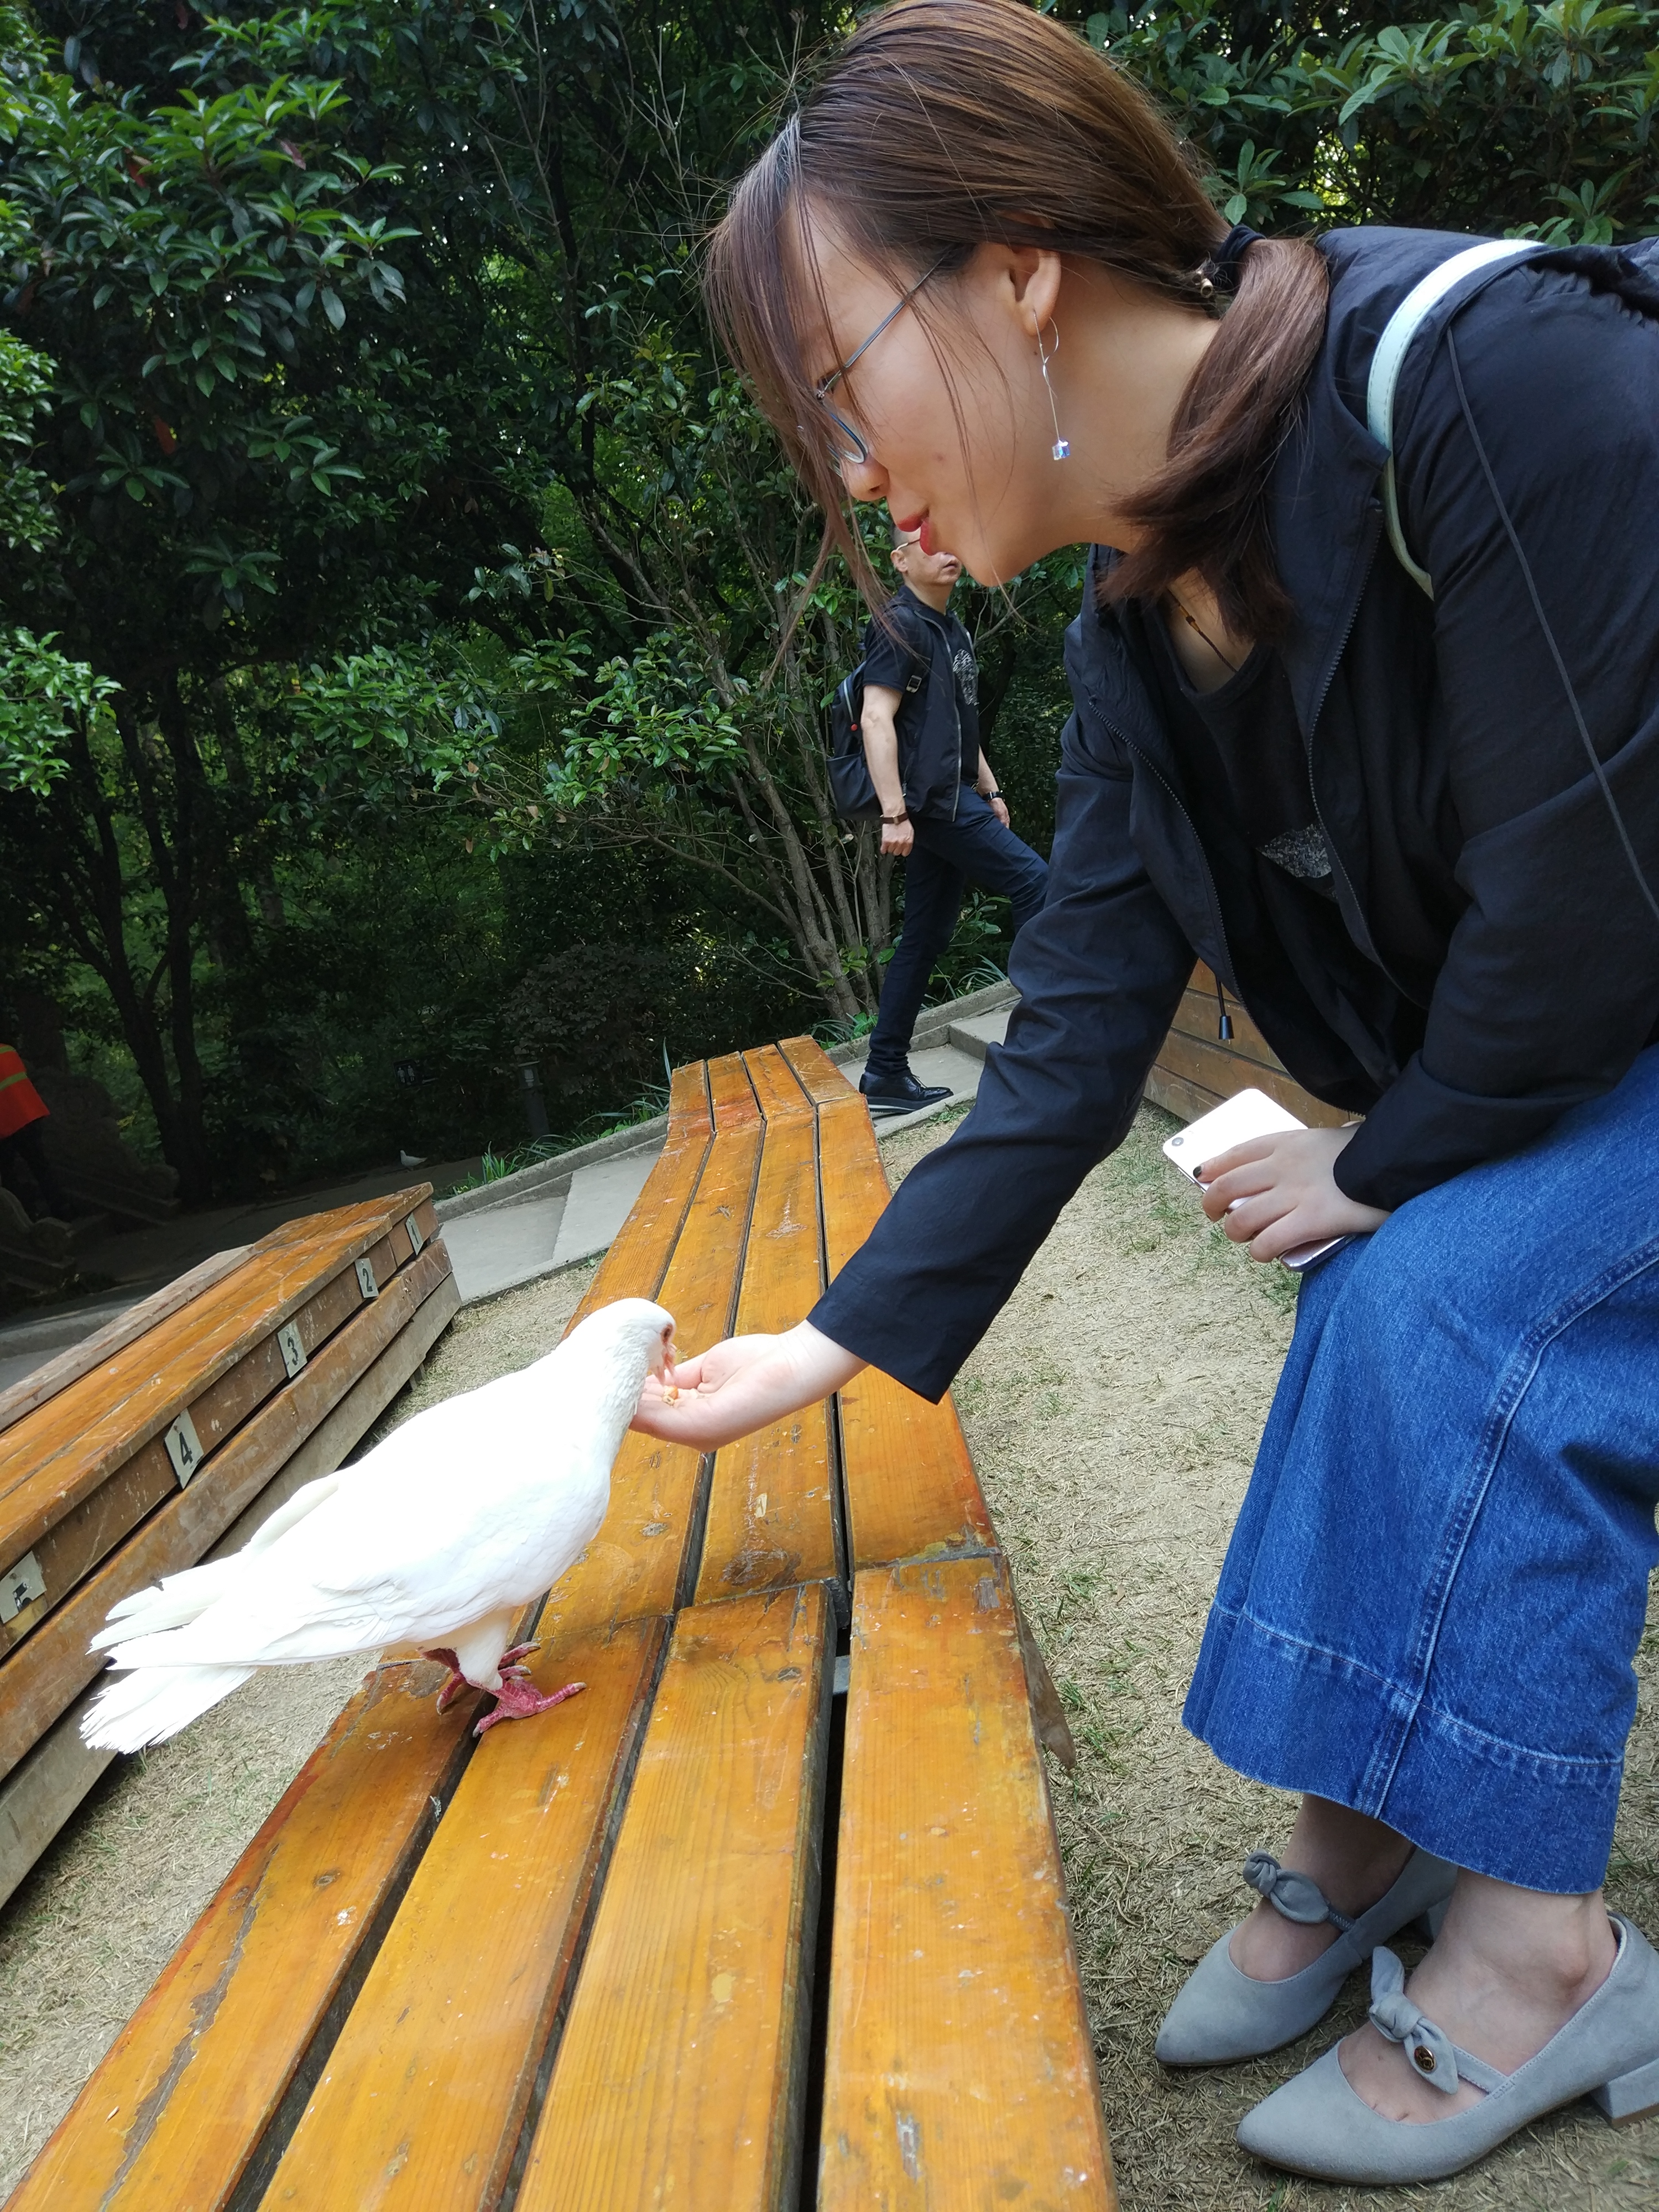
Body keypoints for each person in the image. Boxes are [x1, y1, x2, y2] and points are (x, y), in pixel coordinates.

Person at [630, 0, 1659, 2185]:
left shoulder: (1489, 374)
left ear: (1016, 269)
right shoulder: (1131, 633)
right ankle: (1365, 1834)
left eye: (841, 385)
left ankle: (1551, 1954)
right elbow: (1078, 1015)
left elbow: (1587, 902)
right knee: (1392, 1267)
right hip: (1591, 1065)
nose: (850, 471)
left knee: (1442, 1283)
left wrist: (1384, 1158)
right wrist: (827, 1341)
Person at [854, 525, 1048, 1116]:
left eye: (951, 541)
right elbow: (875, 718)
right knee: (1036, 882)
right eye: (929, 544)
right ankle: (1048, 1040)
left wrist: (992, 788)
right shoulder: (899, 625)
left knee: (926, 936)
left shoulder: (952, 628)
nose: (948, 552)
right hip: (930, 802)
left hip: (956, 795)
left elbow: (961, 722)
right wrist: (894, 812)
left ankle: (884, 1071)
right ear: (900, 560)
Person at [0, 1031, 72, 1222]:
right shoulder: (8, 1051)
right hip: (30, 1116)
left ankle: (26, 1215)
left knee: (8, 1175)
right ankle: (62, 1209)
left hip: (7, 1125)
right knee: (40, 1166)